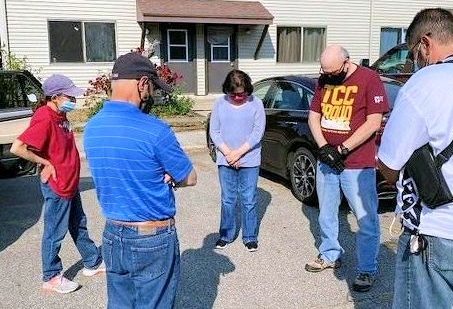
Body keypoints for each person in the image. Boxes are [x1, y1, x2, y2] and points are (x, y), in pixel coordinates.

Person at [84, 52, 197, 308]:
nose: (152, 94)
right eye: (152, 88)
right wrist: (170, 176)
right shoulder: (155, 130)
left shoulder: (92, 127)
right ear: (143, 83)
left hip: (113, 233)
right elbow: (190, 177)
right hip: (152, 237)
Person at [378, 8, 453, 308]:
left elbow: (389, 165)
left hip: (439, 230)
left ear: (425, 45)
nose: (414, 62)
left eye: (414, 53)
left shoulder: (426, 82)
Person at [10, 74, 105, 294]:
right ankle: (51, 276)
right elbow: (18, 147)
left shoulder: (60, 115)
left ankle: (92, 262)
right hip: (57, 186)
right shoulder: (44, 117)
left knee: (78, 225)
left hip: (70, 183)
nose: (74, 99)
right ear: (54, 97)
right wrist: (46, 163)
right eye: (69, 95)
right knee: (55, 232)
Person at [306, 45, 389, 292]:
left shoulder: (369, 78)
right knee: (326, 213)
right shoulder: (325, 79)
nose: (327, 76)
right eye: (324, 71)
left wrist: (341, 149)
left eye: (332, 72)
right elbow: (313, 116)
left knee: (366, 219)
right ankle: (330, 254)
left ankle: (366, 270)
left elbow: (374, 122)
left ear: (346, 62)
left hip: (357, 164)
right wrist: (324, 147)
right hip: (327, 162)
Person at [209, 69, 266, 252]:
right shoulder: (219, 103)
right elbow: (214, 132)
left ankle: (250, 236)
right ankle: (225, 235)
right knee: (228, 199)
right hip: (226, 159)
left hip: (249, 159)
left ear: (247, 89)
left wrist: (238, 153)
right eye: (233, 93)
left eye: (241, 93)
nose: (237, 96)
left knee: (248, 199)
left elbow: (258, 133)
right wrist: (228, 154)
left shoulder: (256, 104)